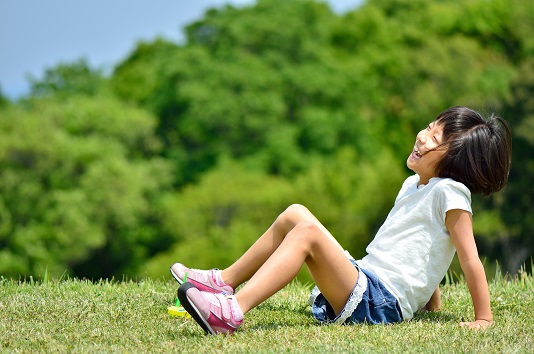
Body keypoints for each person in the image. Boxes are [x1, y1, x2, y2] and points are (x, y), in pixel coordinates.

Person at [171, 106, 512, 335]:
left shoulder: (450, 193)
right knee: (295, 213)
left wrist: (483, 318)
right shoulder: (415, 184)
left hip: (379, 301)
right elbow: (420, 247)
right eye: (429, 127)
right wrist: (429, 302)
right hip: (369, 280)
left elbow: (469, 260)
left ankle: (229, 313)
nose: (423, 136)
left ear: (455, 163)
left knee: (306, 233)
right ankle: (223, 282)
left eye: (435, 139)